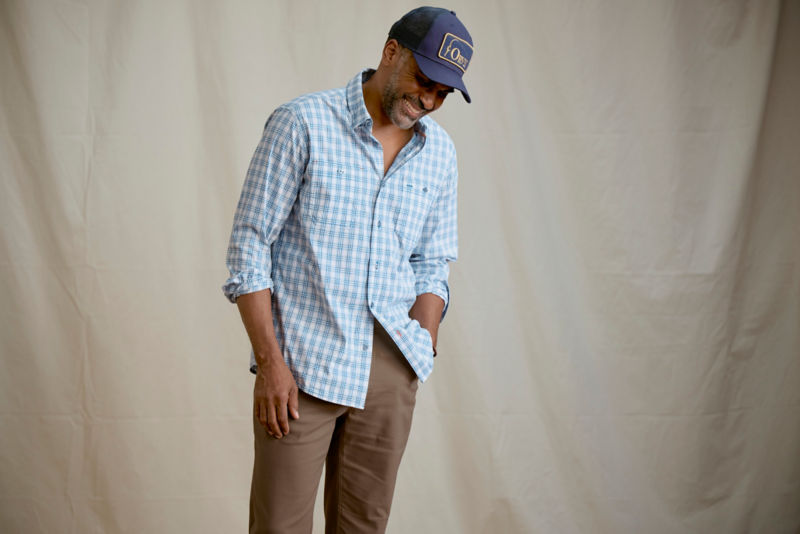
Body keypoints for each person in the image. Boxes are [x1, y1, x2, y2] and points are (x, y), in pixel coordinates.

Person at [223, 6, 473, 533]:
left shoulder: (440, 154)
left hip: (390, 366)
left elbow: (431, 260)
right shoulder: (303, 123)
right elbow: (250, 244)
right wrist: (270, 362)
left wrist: (422, 341)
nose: (428, 101)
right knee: (280, 526)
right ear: (390, 53)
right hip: (302, 365)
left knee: (364, 525)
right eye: (424, 81)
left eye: (442, 94)